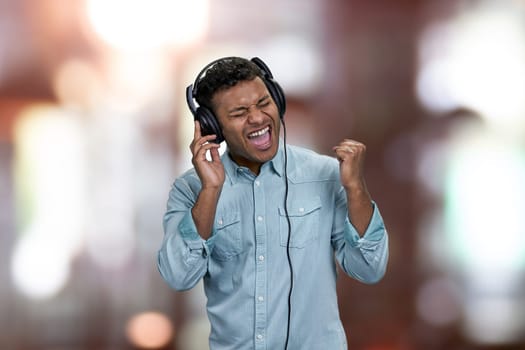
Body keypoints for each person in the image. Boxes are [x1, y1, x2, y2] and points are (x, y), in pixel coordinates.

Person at [157, 56, 389, 350]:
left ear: (278, 100)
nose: (257, 118)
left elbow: (370, 268)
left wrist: (356, 188)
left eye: (264, 103)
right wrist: (211, 190)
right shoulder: (190, 189)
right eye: (239, 112)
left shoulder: (327, 175)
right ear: (211, 126)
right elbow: (178, 276)